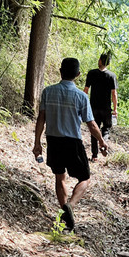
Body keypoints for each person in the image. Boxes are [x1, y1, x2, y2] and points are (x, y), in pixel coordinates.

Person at [33, 57, 108, 232]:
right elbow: (91, 124)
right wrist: (102, 141)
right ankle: (71, 205)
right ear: (78, 74)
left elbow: (41, 119)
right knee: (85, 178)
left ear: (60, 71)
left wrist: (37, 143)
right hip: (73, 142)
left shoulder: (48, 92)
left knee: (60, 177)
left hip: (53, 141)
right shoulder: (81, 96)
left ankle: (64, 215)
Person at [84, 53, 117, 161]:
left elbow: (86, 90)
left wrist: (83, 105)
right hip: (106, 108)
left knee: (94, 129)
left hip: (93, 107)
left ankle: (94, 156)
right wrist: (115, 109)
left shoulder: (91, 73)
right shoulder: (111, 76)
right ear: (108, 63)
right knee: (106, 128)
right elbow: (114, 94)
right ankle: (104, 144)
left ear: (100, 61)